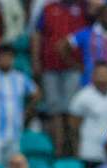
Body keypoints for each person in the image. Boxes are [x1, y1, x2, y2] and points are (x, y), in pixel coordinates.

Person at [32, 0, 86, 157]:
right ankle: (58, 149)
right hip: (50, 66)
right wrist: (36, 60)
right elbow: (37, 34)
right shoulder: (48, 9)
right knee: (55, 110)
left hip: (73, 68)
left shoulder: (82, 8)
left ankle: (72, 150)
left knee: (71, 110)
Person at [0, 44, 40, 165]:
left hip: (15, 133)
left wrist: (27, 113)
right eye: (2, 57)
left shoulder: (21, 78)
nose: (6, 60)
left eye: (9, 57)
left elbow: (36, 94)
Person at [61, 4, 107, 85]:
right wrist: (76, 66)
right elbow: (63, 46)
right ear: (99, 16)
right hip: (89, 83)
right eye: (106, 14)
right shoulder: (86, 32)